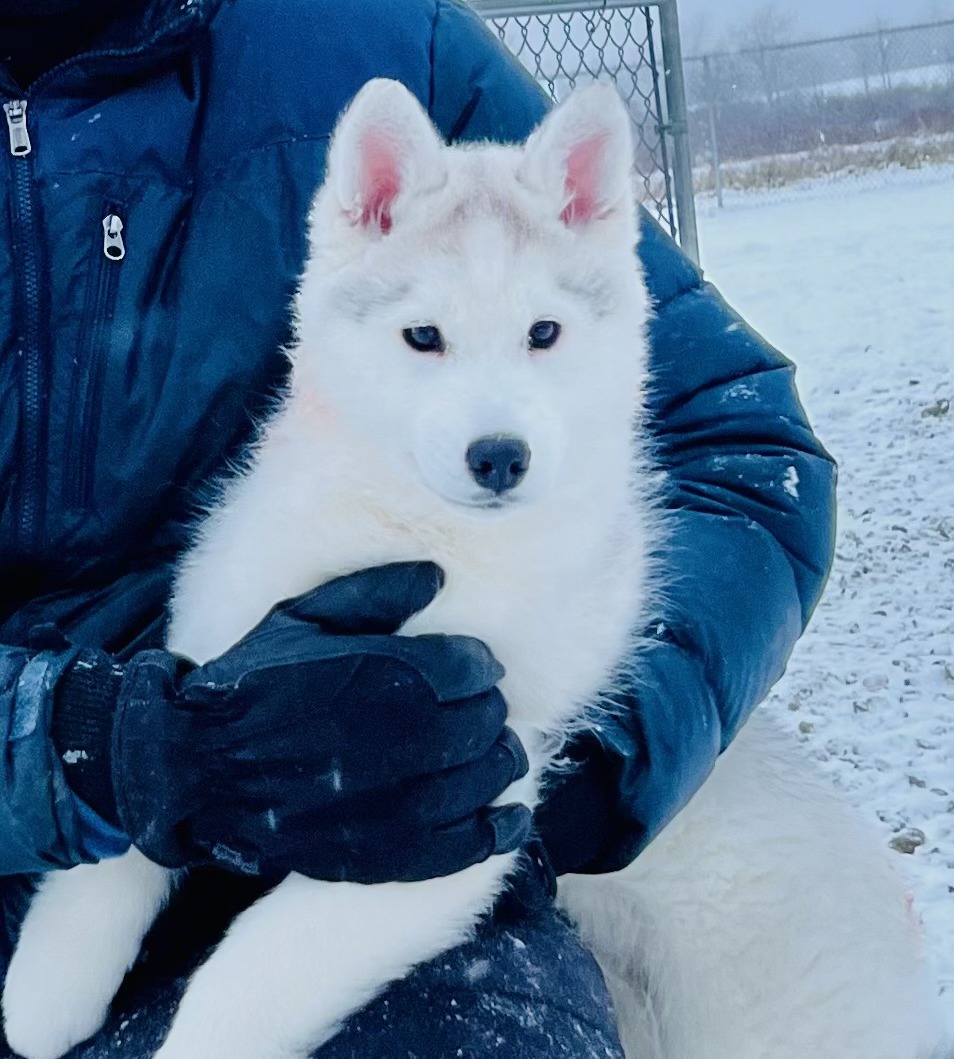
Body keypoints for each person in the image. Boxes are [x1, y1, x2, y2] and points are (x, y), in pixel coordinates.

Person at [0, 0, 836, 1055]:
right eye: (431, 340)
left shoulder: (366, 42)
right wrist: (110, 750)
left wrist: (555, 773)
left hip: (370, 856)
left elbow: (743, 448)